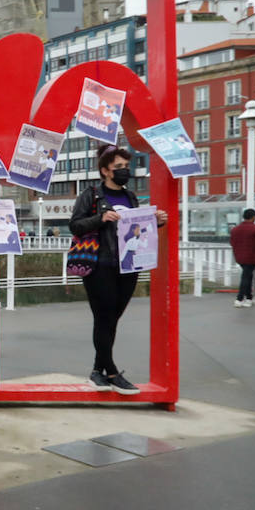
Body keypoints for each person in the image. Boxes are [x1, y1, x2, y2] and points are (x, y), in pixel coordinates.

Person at [68, 145, 168, 394]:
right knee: (103, 318)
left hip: (128, 266)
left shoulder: (131, 197)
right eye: (119, 167)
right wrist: (101, 218)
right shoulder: (91, 195)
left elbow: (137, 230)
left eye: (127, 166)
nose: (125, 171)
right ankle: (111, 372)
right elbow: (75, 226)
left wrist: (156, 222)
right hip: (99, 265)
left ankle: (95, 372)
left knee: (112, 320)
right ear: (105, 171)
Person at [229, 208, 255, 307]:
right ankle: (239, 299)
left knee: (248, 275)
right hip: (251, 256)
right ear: (253, 217)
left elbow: (231, 242)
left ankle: (249, 298)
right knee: (246, 277)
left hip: (239, 256)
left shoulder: (235, 229)